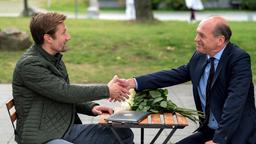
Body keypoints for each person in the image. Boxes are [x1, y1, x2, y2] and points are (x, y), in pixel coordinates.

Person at [124, 16, 256, 144]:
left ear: (220, 40)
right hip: (209, 132)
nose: (196, 39)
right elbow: (175, 74)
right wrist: (134, 82)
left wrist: (219, 140)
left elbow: (235, 102)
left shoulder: (238, 59)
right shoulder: (200, 56)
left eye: (202, 35)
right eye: (197, 34)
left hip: (235, 135)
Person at [12, 12, 134, 144]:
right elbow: (65, 92)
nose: (68, 37)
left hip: (61, 127)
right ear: (48, 38)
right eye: (63, 33)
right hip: (41, 135)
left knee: (122, 133)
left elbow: (59, 94)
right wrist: (107, 90)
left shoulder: (53, 57)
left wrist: (90, 107)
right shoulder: (30, 65)